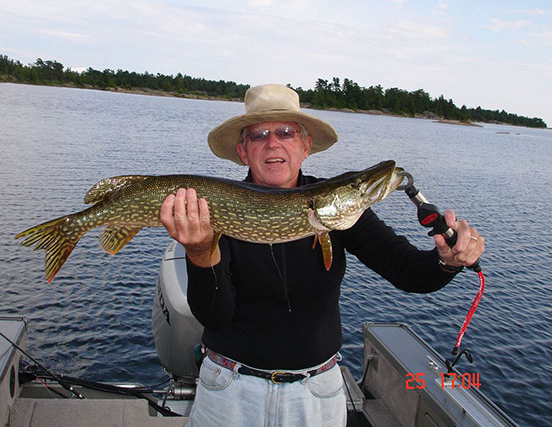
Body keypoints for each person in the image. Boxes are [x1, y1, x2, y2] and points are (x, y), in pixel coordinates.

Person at [160, 84, 484, 427]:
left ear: (305, 146)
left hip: (316, 395)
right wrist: (199, 252)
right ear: (243, 151)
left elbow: (409, 272)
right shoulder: (214, 211)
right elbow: (215, 317)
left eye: (286, 132)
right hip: (229, 392)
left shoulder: (340, 208)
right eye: (259, 135)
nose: (274, 143)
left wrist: (447, 261)